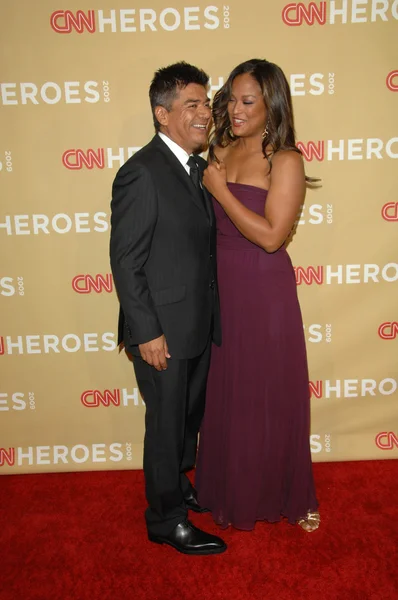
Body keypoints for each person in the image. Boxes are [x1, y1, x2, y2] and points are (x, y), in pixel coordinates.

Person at [195, 58, 320, 532]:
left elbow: (272, 236)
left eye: (249, 101)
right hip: (222, 287)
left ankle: (286, 493)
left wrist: (223, 192)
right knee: (229, 393)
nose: (236, 108)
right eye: (231, 99)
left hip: (264, 289)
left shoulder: (285, 159)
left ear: (273, 106)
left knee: (268, 393)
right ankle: (229, 489)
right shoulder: (219, 146)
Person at [110, 62, 226, 555]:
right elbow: (125, 261)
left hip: (195, 325)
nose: (205, 113)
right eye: (192, 105)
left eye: (206, 103)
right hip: (160, 332)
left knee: (184, 421)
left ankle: (178, 487)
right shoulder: (142, 172)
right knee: (164, 425)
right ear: (162, 114)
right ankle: (165, 520)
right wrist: (147, 331)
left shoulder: (195, 166)